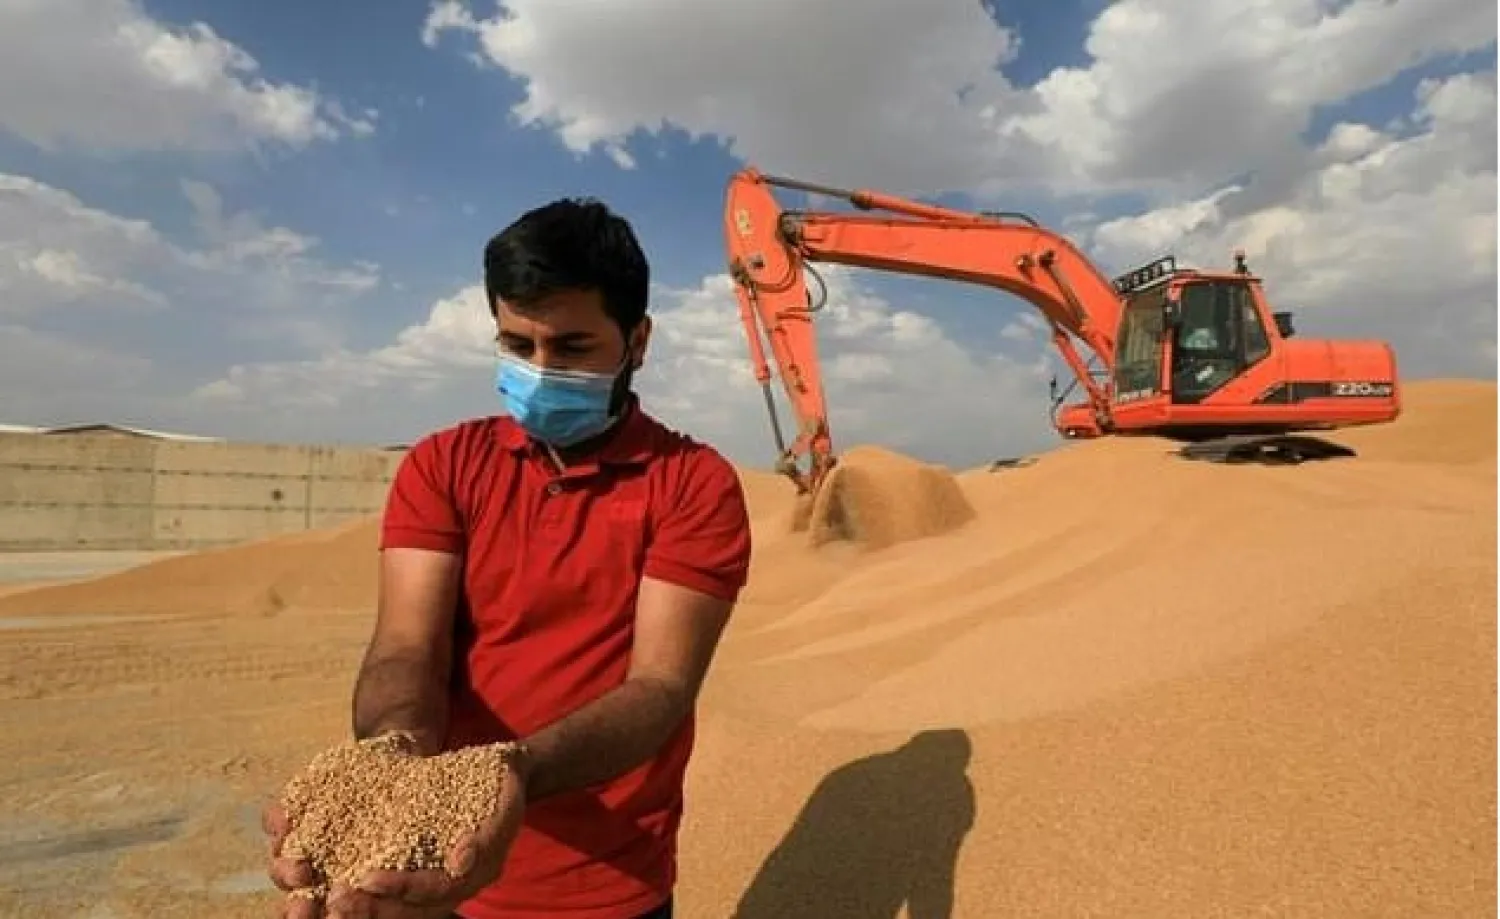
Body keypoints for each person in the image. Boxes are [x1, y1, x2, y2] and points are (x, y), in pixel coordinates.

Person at [264, 198, 754, 919]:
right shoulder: (443, 464)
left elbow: (659, 686)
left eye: (573, 347)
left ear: (638, 341)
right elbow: (406, 646)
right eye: (518, 345)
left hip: (607, 887)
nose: (541, 367)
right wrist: (390, 755)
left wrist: (512, 771)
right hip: (426, 861)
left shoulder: (693, 483)